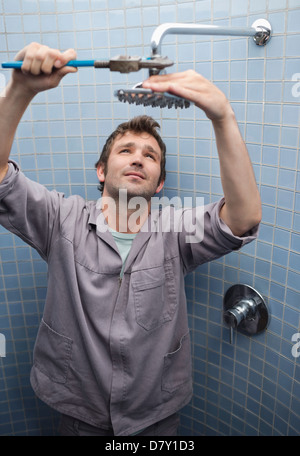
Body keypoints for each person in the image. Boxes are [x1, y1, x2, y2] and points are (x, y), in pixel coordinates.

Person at [0, 43, 261, 436]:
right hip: (76, 411)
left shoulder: (176, 230)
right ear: (102, 171)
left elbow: (243, 218)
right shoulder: (60, 218)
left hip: (154, 416)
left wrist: (222, 115)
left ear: (160, 185)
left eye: (150, 156)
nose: (138, 158)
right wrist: (19, 90)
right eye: (126, 150)